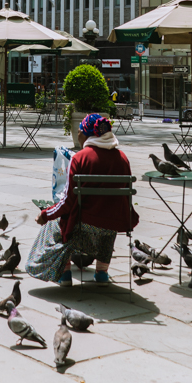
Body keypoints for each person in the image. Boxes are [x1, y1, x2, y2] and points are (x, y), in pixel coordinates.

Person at [26, 113, 138, 286]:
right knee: (107, 217)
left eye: (79, 131)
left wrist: (45, 214)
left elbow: (67, 202)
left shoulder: (80, 158)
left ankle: (64, 273)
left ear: (87, 134)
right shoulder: (122, 158)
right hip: (114, 223)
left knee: (55, 220)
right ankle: (102, 272)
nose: (77, 135)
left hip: (83, 223)